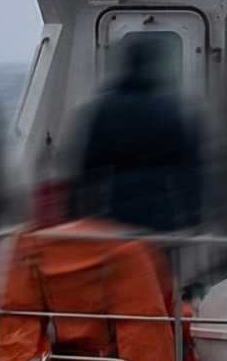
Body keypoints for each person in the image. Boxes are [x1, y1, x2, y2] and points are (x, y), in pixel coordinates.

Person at [76, 35, 196, 233]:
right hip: (160, 207)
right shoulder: (167, 107)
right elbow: (187, 166)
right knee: (156, 261)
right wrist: (192, 213)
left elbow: (87, 167)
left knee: (124, 260)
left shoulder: (105, 107)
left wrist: (84, 213)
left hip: (117, 208)